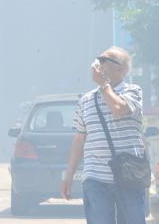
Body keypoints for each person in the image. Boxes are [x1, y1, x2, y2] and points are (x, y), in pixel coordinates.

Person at [60, 46, 146, 224]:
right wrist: (68, 176)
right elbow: (79, 139)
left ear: (120, 69)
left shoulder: (133, 91)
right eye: (98, 59)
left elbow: (118, 108)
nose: (99, 64)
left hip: (127, 175)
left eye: (105, 60)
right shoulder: (86, 100)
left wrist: (104, 85)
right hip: (95, 177)